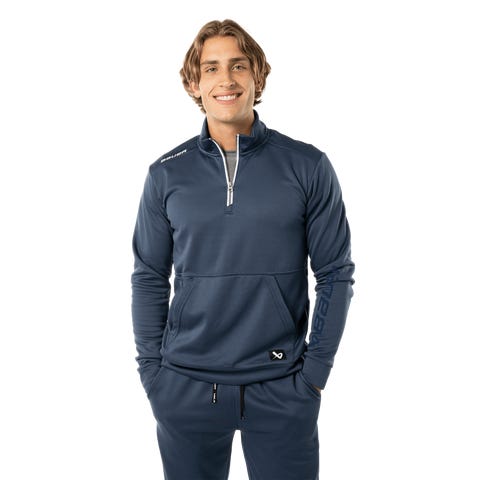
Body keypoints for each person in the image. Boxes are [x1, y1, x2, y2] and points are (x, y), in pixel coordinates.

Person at [131, 19, 355, 480]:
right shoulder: (166, 175)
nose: (226, 79)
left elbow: (335, 273)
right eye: (211, 68)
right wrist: (153, 374)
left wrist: (314, 375)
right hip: (185, 386)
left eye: (238, 65)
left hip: (282, 386)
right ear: (194, 83)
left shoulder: (307, 166)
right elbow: (149, 277)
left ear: (258, 75)